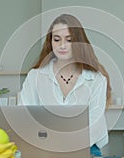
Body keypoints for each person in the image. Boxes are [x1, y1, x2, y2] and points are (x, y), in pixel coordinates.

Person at [20, 14, 112, 157]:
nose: (62, 45)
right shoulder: (35, 76)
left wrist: (66, 147)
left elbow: (94, 124)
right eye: (57, 39)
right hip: (45, 147)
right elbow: (25, 116)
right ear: (50, 42)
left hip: (86, 148)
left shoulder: (96, 79)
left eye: (69, 40)